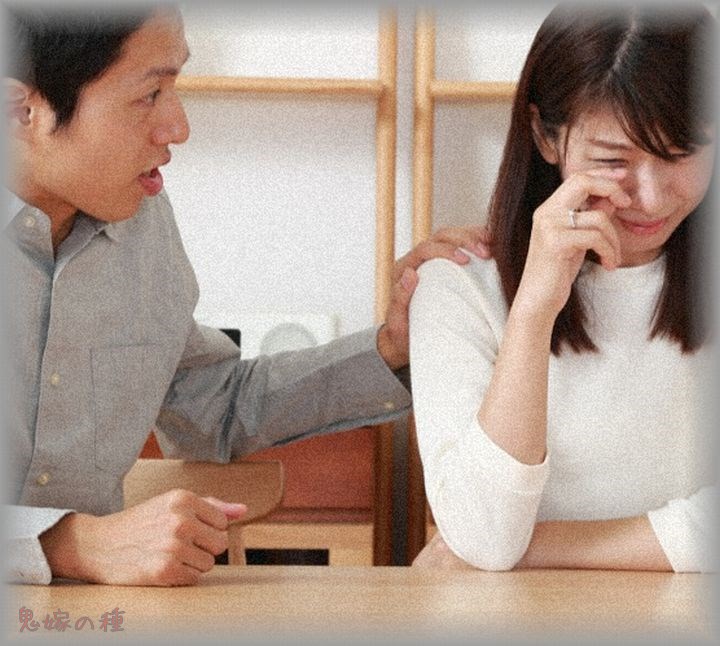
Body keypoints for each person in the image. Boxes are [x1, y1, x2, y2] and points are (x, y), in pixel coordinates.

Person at [2, 4, 491, 586]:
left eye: (174, 86)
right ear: (21, 111)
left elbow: (211, 407)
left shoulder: (140, 225)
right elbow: (80, 546)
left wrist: (392, 348)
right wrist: (63, 544)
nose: (178, 126)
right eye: (149, 95)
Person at [409, 3, 716, 572]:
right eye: (612, 161)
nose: (650, 197)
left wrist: (542, 549)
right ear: (545, 137)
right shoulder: (458, 289)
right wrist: (533, 309)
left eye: (681, 155)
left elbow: (482, 555)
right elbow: (485, 536)